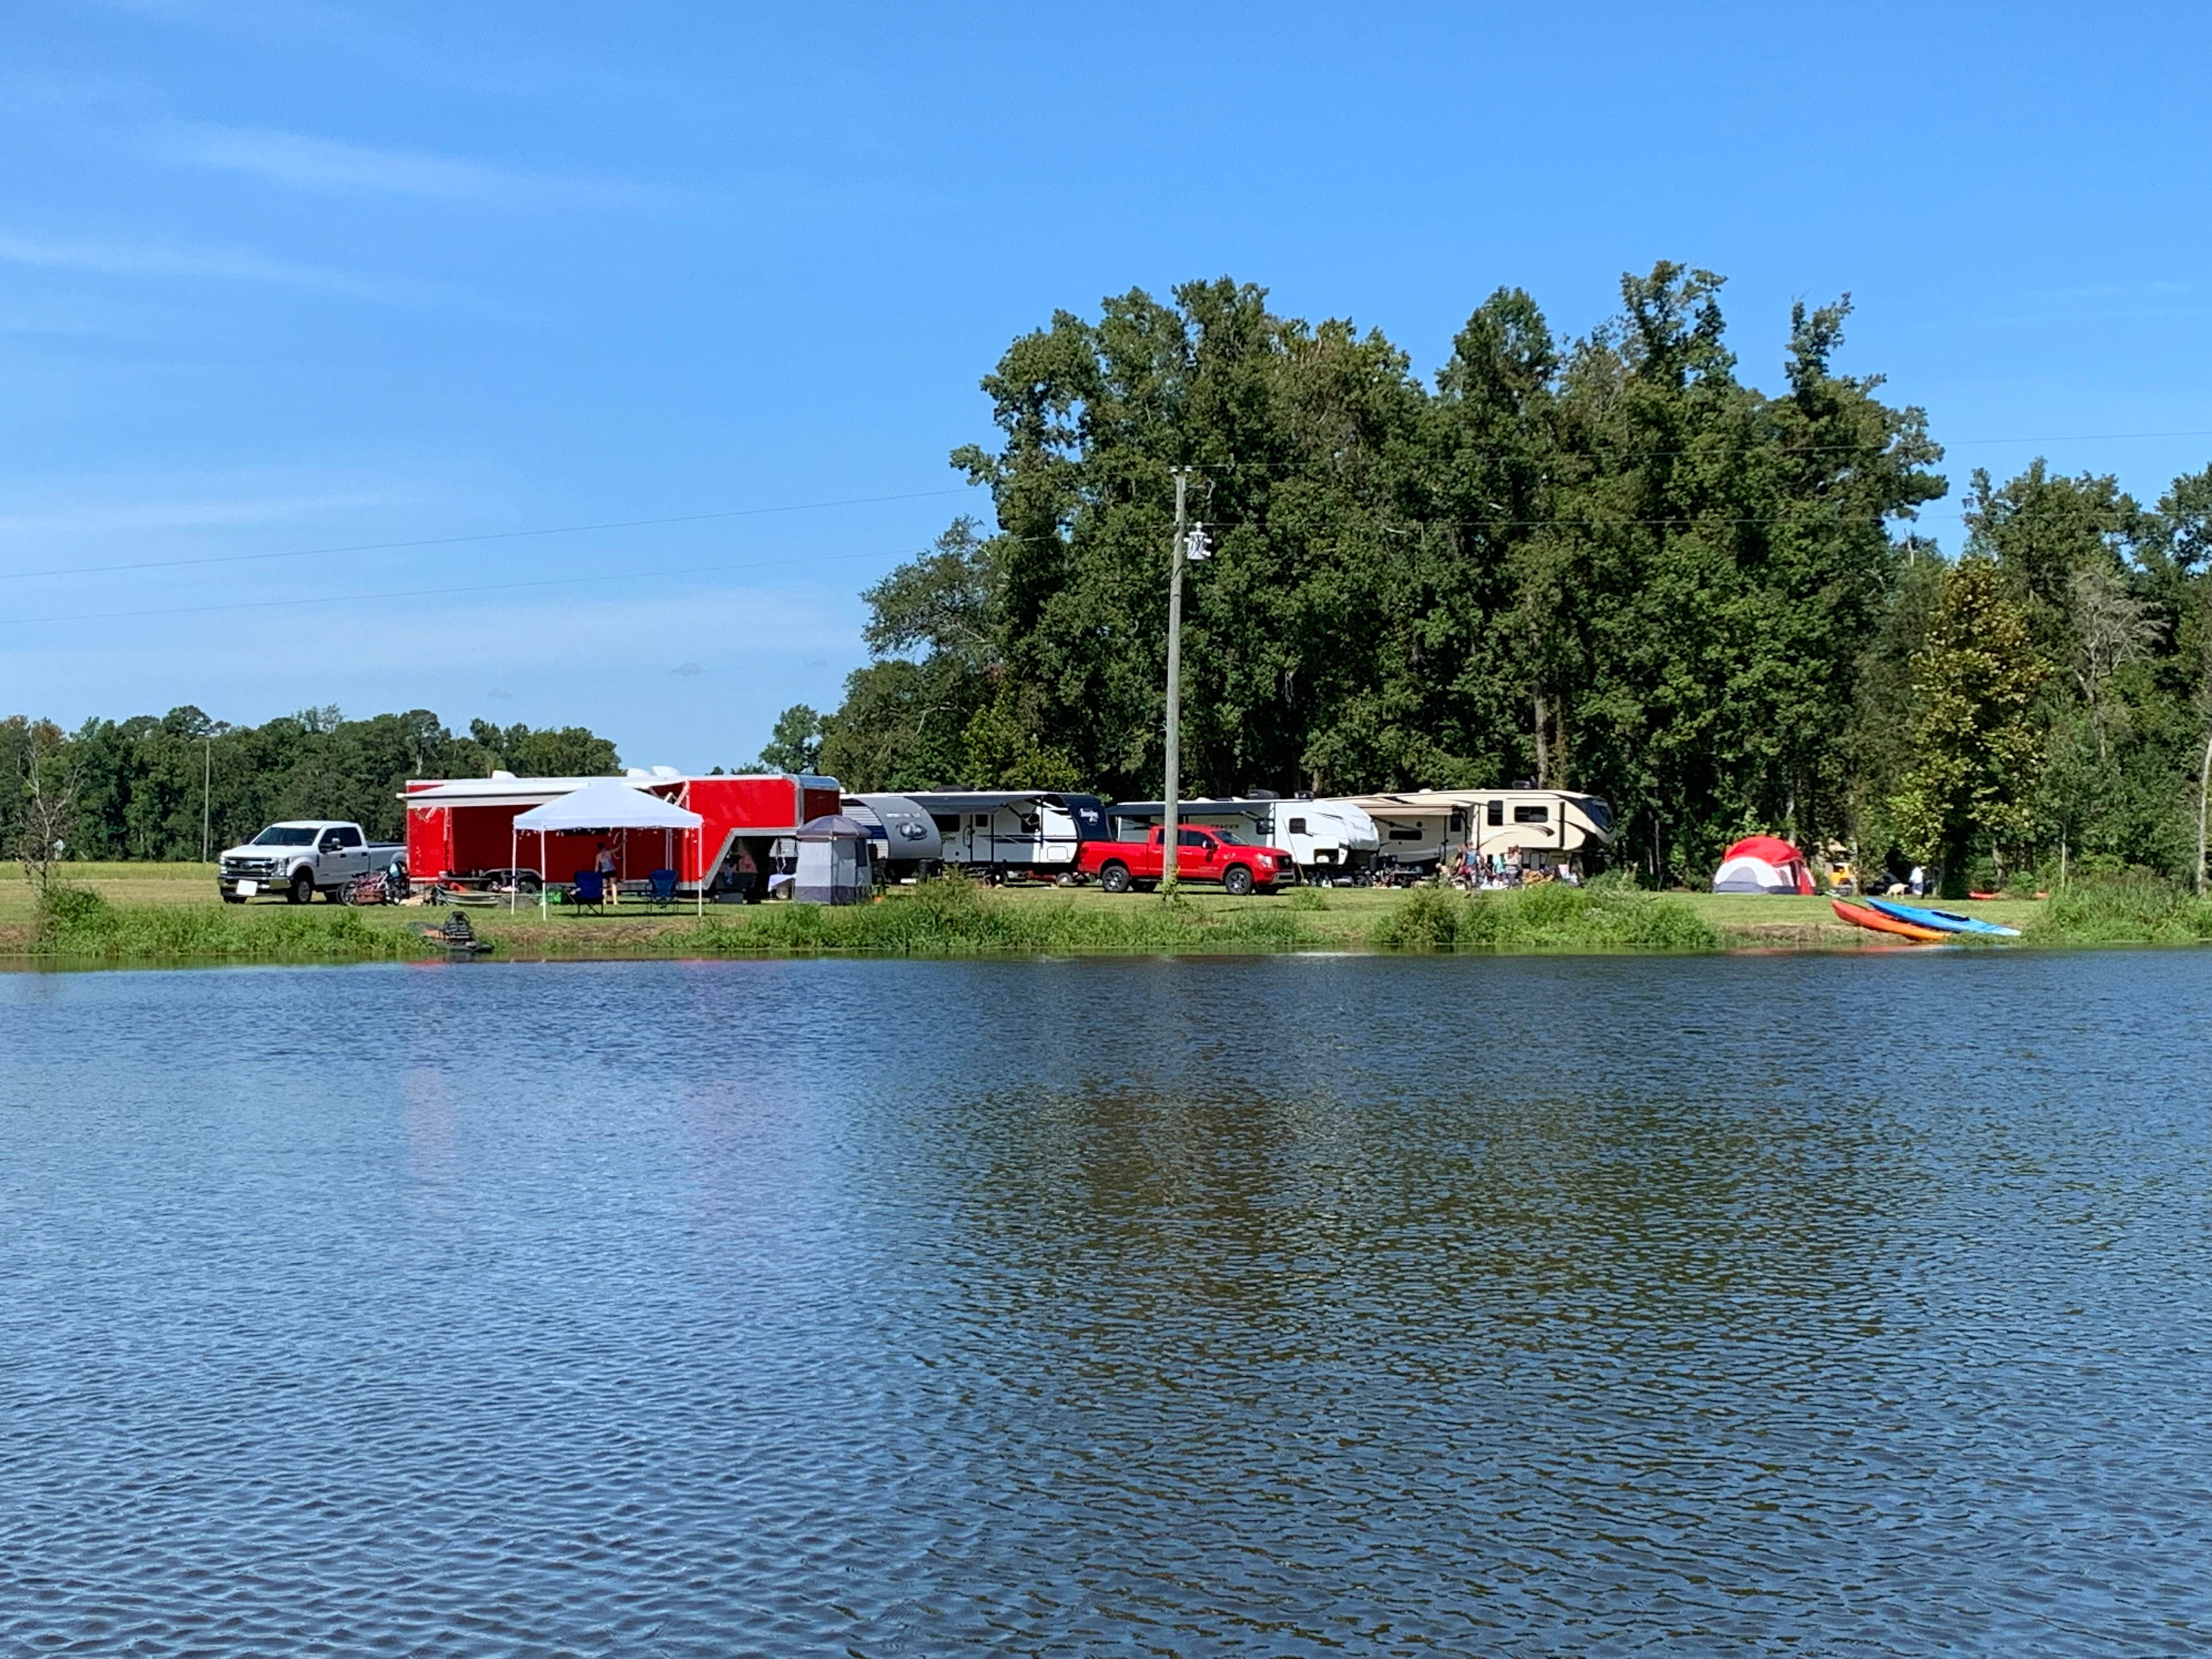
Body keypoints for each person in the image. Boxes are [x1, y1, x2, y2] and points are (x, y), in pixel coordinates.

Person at [594, 841, 619, 906]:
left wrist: (596, 874)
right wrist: (623, 843)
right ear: (605, 846)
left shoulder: (598, 856)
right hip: (611, 871)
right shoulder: (609, 852)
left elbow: (597, 866)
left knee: (604, 887)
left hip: (604, 872)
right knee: (614, 886)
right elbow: (617, 849)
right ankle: (615, 902)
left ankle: (604, 902)